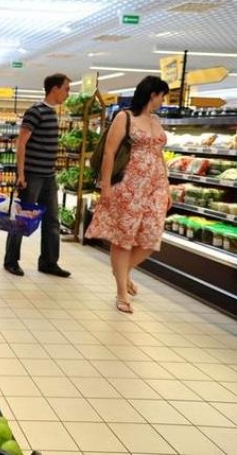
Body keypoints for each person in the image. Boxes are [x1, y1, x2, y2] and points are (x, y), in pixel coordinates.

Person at [85, 75, 171, 314]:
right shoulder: (125, 117)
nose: (163, 101)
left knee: (151, 237)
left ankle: (121, 272)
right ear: (152, 94)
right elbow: (109, 152)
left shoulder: (155, 120)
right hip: (129, 186)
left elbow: (159, 155)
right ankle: (122, 292)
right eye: (162, 96)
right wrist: (105, 186)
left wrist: (166, 186)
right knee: (123, 238)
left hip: (155, 187)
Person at [3, 73, 72, 278]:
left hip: (49, 176)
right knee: (21, 219)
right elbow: (21, 143)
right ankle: (11, 260)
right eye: (66, 89)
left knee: (52, 220)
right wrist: (21, 174)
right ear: (55, 89)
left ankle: (49, 262)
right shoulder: (35, 111)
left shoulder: (52, 113)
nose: (68, 93)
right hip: (32, 175)